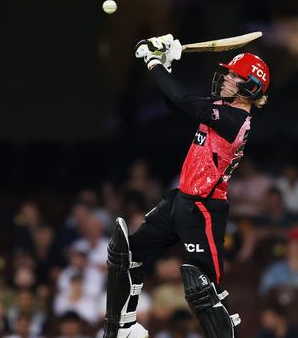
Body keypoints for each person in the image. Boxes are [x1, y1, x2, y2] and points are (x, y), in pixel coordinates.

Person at [103, 34, 271, 338]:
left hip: (204, 209)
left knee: (204, 289)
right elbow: (178, 103)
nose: (226, 80)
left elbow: (183, 101)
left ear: (250, 88)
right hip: (181, 200)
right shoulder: (224, 108)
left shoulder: (235, 119)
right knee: (125, 254)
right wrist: (165, 66)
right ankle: (123, 327)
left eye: (234, 77)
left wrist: (153, 62)